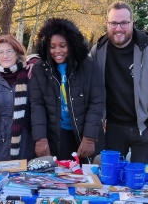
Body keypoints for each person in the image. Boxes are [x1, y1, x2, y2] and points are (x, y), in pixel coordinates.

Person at [91, 1, 148, 164]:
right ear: (107, 23)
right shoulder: (99, 49)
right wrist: (37, 64)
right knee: (111, 182)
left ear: (132, 23)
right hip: (113, 129)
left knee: (141, 184)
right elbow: (81, 70)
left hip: (144, 127)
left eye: (124, 23)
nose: (118, 28)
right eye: (114, 23)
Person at [30, 18, 105, 164]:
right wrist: (40, 139)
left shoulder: (88, 66)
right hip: (57, 136)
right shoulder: (40, 69)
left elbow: (97, 101)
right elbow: (37, 105)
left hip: (85, 133)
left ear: (71, 44)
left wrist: (89, 138)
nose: (57, 51)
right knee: (61, 180)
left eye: (62, 46)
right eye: (52, 47)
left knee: (88, 181)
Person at [0, 34, 36, 162]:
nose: (5, 56)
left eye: (9, 51)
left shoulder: (30, 74)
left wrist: (36, 60)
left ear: (17, 53)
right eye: (1, 52)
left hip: (25, 139)